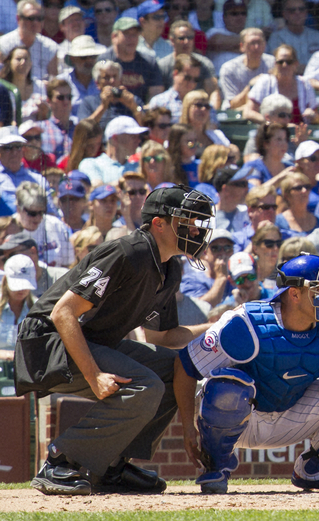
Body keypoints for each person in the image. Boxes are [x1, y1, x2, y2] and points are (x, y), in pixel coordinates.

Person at [14, 185, 214, 496]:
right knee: (146, 385)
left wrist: (218, 325)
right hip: (44, 342)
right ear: (159, 224)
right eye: (187, 221)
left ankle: (109, 467)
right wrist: (94, 375)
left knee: (171, 368)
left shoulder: (169, 268)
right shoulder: (127, 252)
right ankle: (62, 461)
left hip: (91, 341)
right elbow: (63, 313)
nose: (196, 229)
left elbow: (164, 336)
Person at [174, 254, 319, 494]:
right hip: (239, 420)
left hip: (291, 418)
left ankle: (316, 470)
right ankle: (216, 466)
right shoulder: (245, 323)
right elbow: (186, 366)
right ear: (294, 294)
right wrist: (188, 427)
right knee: (227, 388)